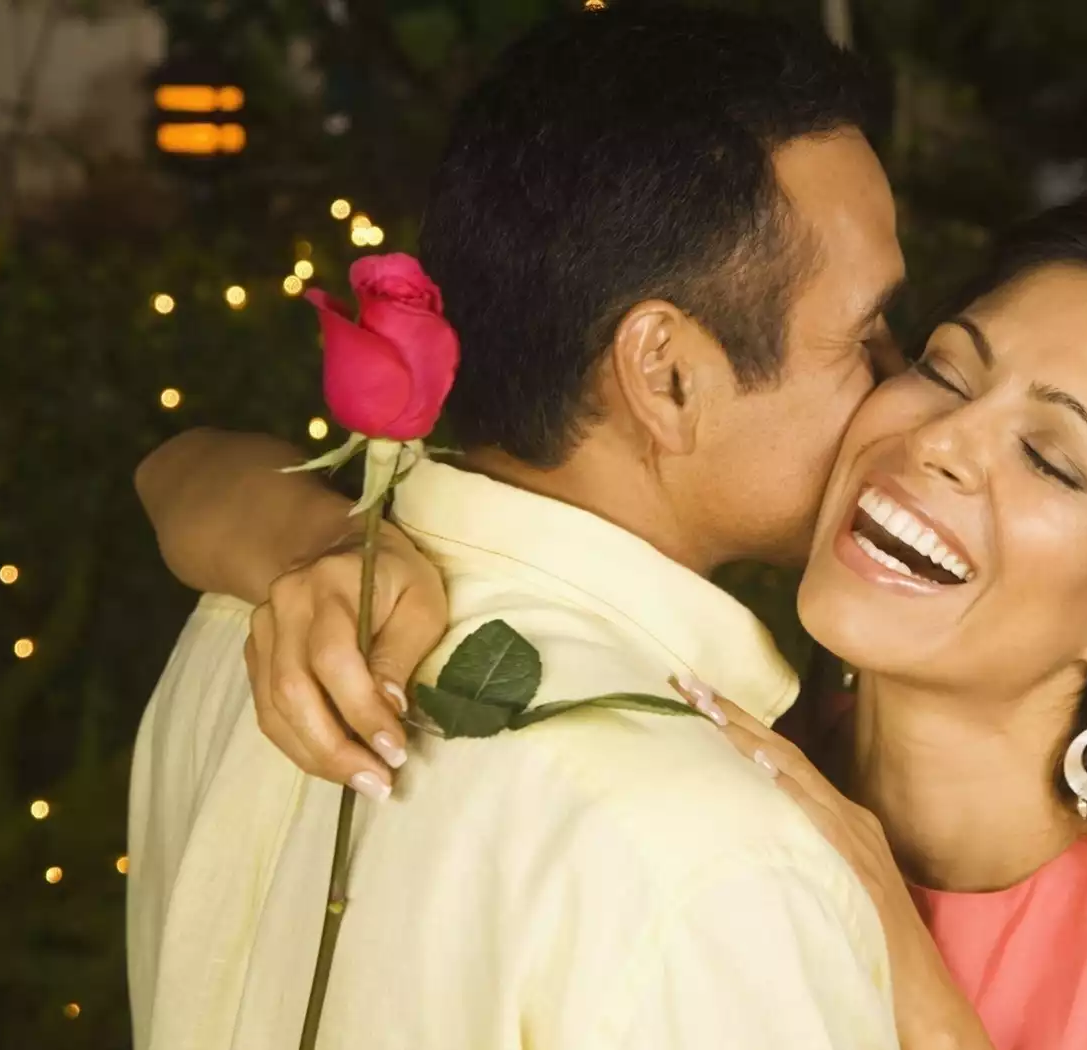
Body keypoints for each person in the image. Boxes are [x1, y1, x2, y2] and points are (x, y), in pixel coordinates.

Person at [143, 194, 1087, 1048]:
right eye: (946, 369)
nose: (944, 441)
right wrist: (320, 550)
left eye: (1053, 460)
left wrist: (914, 983)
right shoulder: (709, 762)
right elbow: (179, 474)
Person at [127, 8, 910, 1050]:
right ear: (667, 375)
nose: (902, 391)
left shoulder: (248, 623)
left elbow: (175, 469)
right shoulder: (716, 863)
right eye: (864, 335)